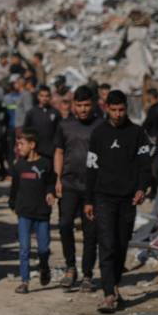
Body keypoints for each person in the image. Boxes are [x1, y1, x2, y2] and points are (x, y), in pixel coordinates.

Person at [84, 90, 152, 314]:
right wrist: (89, 200)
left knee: (122, 244)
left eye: (121, 109)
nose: (117, 114)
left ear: (126, 108)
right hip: (103, 197)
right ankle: (108, 294)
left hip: (127, 198)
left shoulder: (137, 133)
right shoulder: (99, 134)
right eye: (113, 110)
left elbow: (144, 164)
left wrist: (142, 188)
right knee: (106, 243)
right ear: (107, 109)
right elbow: (91, 169)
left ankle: (114, 284)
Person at [53, 85, 102, 292]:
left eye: (86, 105)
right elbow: (59, 152)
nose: (83, 109)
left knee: (90, 232)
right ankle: (70, 268)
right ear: (73, 105)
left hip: (93, 188)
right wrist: (57, 179)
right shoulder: (65, 125)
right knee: (64, 225)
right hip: (70, 184)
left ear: (93, 105)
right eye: (79, 105)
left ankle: (88, 274)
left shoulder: (101, 126)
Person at [10, 130, 56, 294]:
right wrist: (12, 203)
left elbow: (51, 182)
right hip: (24, 213)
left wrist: (51, 192)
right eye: (17, 144)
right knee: (24, 249)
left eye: (21, 144)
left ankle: (44, 268)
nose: (19, 147)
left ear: (32, 145)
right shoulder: (19, 166)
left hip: (42, 213)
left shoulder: (45, 164)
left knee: (43, 248)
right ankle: (24, 281)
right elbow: (14, 188)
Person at [23, 84, 60, 159]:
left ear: (50, 97)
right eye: (42, 96)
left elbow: (58, 131)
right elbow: (26, 131)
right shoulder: (31, 112)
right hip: (35, 151)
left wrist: (55, 146)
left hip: (51, 151)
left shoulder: (55, 112)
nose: (44, 98)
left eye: (47, 96)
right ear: (38, 96)